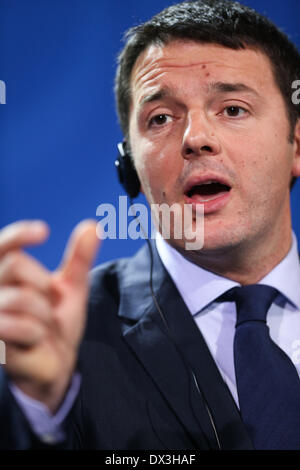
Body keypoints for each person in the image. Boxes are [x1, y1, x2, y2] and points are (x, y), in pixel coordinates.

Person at [0, 0, 300, 450]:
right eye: (161, 118)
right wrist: (41, 409)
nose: (196, 138)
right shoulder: (64, 338)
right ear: (131, 169)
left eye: (233, 109)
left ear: (295, 145)